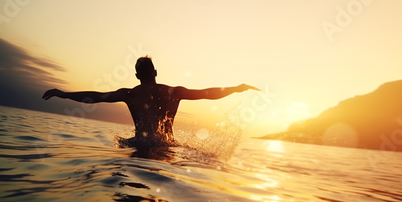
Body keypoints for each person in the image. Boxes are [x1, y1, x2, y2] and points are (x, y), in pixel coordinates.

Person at [42, 56, 258, 146]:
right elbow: (207, 93)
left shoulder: (129, 94)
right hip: (167, 147)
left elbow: (95, 97)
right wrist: (236, 89)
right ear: (155, 72)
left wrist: (64, 93)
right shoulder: (173, 92)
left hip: (139, 145)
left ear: (137, 76)